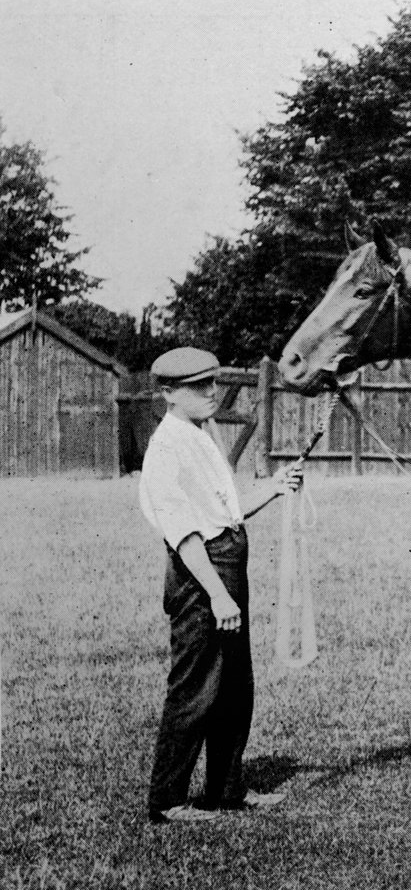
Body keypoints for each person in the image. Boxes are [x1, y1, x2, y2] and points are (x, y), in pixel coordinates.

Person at [139, 346, 304, 824]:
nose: (212, 393)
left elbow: (224, 511)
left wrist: (273, 488)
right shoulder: (166, 448)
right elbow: (186, 534)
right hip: (201, 576)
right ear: (169, 394)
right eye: (199, 387)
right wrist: (216, 593)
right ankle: (168, 800)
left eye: (213, 383)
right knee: (196, 688)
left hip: (226, 563)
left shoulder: (199, 435)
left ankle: (226, 789)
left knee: (234, 685)